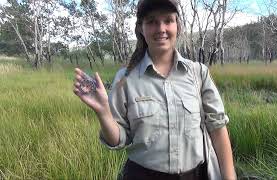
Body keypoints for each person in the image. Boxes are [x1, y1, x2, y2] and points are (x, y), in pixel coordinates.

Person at [73, 0, 236, 179]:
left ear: (178, 26)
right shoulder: (125, 79)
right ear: (141, 28)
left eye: (168, 20)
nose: (161, 28)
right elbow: (118, 140)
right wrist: (103, 112)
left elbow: (218, 129)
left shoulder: (199, 73)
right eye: (151, 21)